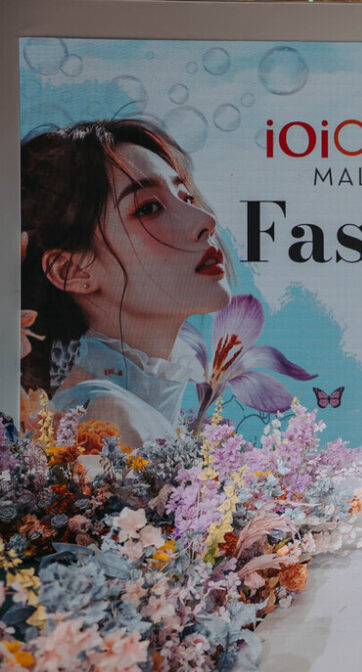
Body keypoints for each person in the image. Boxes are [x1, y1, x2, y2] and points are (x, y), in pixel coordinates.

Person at [20, 119, 232, 447]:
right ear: (71, 271)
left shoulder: (117, 412)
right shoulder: (110, 419)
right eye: (149, 208)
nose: (207, 221)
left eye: (187, 198)